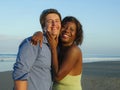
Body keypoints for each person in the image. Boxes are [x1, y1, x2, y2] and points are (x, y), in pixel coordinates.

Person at [12, 8, 61, 90]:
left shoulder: (57, 47)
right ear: (43, 26)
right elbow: (20, 72)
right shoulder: (34, 42)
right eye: (49, 21)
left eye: (57, 21)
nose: (54, 24)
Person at [32, 16, 83, 90]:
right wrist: (39, 33)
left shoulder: (74, 50)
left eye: (72, 29)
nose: (67, 31)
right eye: (64, 27)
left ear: (76, 35)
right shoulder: (58, 46)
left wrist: (53, 48)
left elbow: (57, 77)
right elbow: (47, 33)